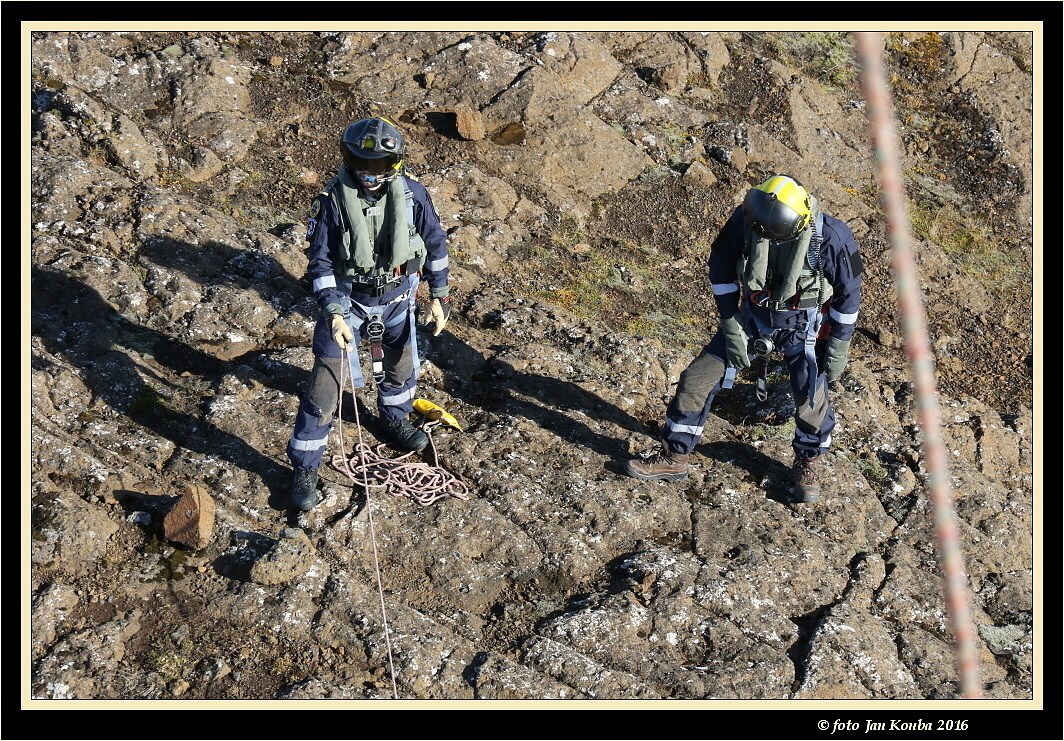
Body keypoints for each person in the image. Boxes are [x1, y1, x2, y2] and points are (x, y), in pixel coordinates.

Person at [624, 175, 863, 503]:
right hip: (752, 319)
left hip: (803, 326)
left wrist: (839, 344)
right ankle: (674, 456)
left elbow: (849, 296)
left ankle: (808, 462)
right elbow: (721, 269)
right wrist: (731, 323)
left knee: (810, 397)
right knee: (696, 380)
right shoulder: (748, 219)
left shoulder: (833, 237)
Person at [286, 117, 452, 511]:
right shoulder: (330, 203)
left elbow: (435, 242)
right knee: (325, 387)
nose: (369, 173)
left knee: (400, 365)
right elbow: (321, 263)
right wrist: (333, 313)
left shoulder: (413, 195)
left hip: (399, 299)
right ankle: (305, 466)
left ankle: (394, 418)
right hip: (349, 301)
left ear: (395, 164)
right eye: (361, 162)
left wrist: (439, 294)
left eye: (379, 166)